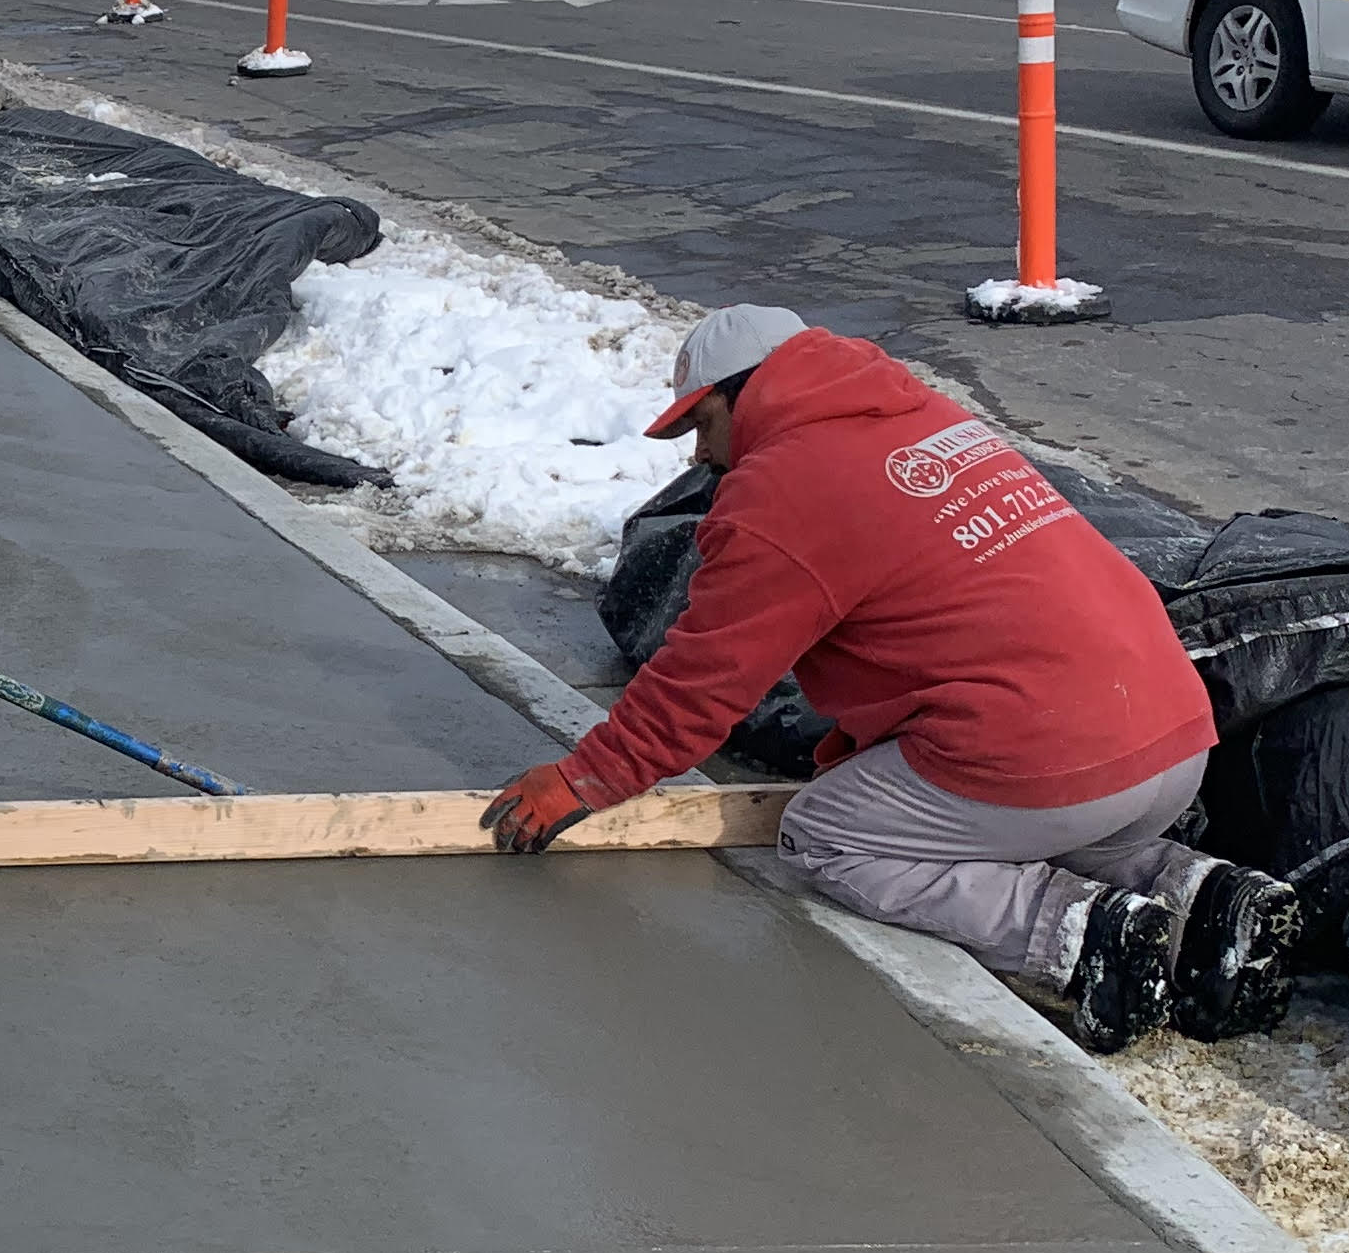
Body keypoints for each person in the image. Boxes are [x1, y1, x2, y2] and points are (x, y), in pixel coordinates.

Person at [484, 305, 1299, 1048]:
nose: (699, 455)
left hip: (1053, 762)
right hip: (1172, 741)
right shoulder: (923, 418)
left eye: (701, 424)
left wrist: (585, 778)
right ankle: (1201, 901)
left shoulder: (783, 490)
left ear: (743, 394)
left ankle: (1083, 938)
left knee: (827, 834)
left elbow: (702, 682)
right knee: (1002, 824)